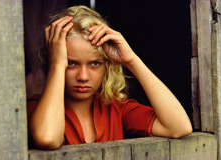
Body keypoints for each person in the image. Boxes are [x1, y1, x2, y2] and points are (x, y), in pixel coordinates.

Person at [27, 5, 192, 149]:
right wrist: (56, 65)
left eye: (94, 64)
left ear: (107, 66)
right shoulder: (35, 108)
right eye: (71, 63)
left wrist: (131, 60)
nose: (83, 77)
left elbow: (179, 127)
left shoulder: (116, 109)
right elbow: (47, 138)